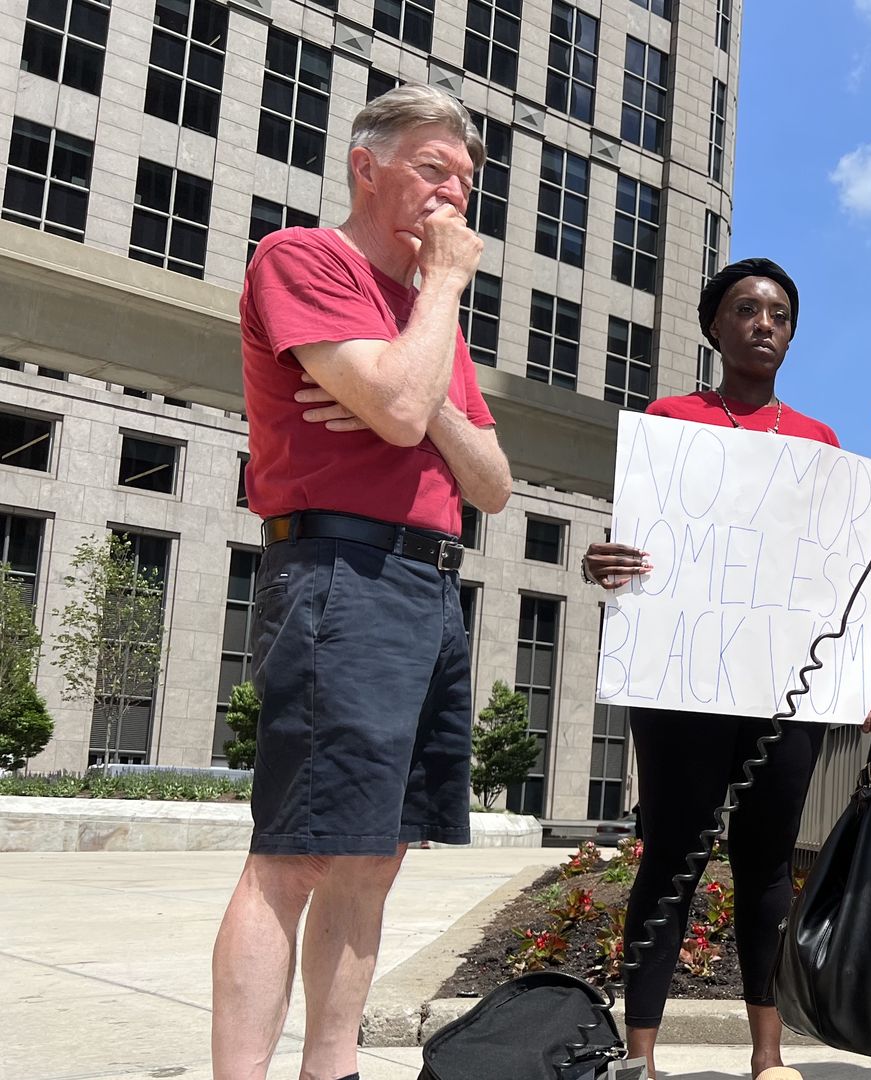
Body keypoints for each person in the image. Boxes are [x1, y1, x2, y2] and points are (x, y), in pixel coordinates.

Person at [212, 85, 510, 1080]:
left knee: (374, 856)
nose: (453, 195)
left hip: (430, 585)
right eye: (433, 169)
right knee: (297, 850)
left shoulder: (431, 327)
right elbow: (393, 407)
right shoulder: (302, 258)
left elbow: (493, 484)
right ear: (366, 166)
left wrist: (420, 402)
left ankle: (329, 1069)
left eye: (465, 181)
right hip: (340, 570)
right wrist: (431, 319)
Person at [580, 258, 832, 1080]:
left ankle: (769, 1057)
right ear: (715, 327)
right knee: (670, 857)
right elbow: (639, 547)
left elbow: (832, 569)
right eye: (747, 309)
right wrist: (604, 563)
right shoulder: (668, 423)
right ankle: (641, 1058)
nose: (765, 324)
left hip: (782, 687)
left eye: (780, 315)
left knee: (768, 866)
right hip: (680, 683)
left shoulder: (818, 444)